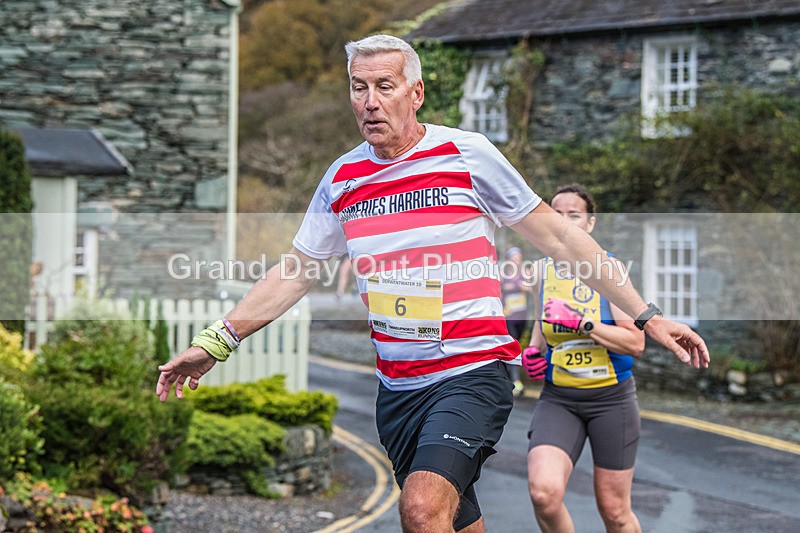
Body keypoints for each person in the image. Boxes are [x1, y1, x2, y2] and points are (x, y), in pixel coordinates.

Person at [156, 35, 709, 533]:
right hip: (398, 390)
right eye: (358, 88)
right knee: (451, 521)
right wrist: (215, 342)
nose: (370, 101)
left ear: (415, 93)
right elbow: (297, 270)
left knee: (421, 509)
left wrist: (646, 315)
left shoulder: (466, 155)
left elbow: (561, 239)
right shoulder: (341, 178)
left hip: (473, 371)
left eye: (384, 87)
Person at [523, 183, 645, 533]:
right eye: (555, 214)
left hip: (612, 401)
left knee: (615, 511)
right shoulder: (541, 272)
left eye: (573, 215)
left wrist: (582, 322)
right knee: (543, 495)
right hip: (559, 398)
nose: (563, 222)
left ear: (590, 224)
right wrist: (534, 352)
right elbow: (540, 324)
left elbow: (635, 343)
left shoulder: (611, 271)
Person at [500, 246, 532, 397]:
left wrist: (523, 286)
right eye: (514, 257)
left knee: (518, 345)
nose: (516, 260)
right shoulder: (503, 274)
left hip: (522, 317)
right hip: (509, 317)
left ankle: (509, 378)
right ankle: (515, 381)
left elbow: (532, 288)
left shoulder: (525, 273)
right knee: (514, 347)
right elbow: (498, 291)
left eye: (518, 257)